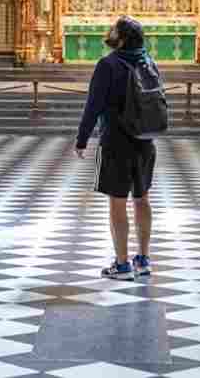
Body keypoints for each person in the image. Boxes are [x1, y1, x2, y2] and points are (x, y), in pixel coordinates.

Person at [75, 15, 160, 280]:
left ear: (120, 38)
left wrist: (82, 138)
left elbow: (93, 105)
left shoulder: (108, 64)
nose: (109, 32)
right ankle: (143, 259)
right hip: (146, 140)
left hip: (116, 141)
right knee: (142, 198)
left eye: (114, 30)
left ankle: (122, 264)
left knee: (117, 202)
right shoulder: (149, 62)